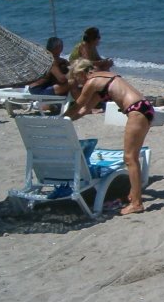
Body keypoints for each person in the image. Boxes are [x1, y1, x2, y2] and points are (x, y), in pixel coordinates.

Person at [64, 59, 152, 215]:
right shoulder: (103, 79)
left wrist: (60, 119)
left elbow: (78, 104)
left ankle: (137, 203)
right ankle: (135, 193)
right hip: (143, 107)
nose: (78, 82)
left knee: (129, 158)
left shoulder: (92, 82)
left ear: (82, 73)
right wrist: (68, 120)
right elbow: (84, 110)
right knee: (133, 156)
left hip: (136, 110)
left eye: (77, 78)